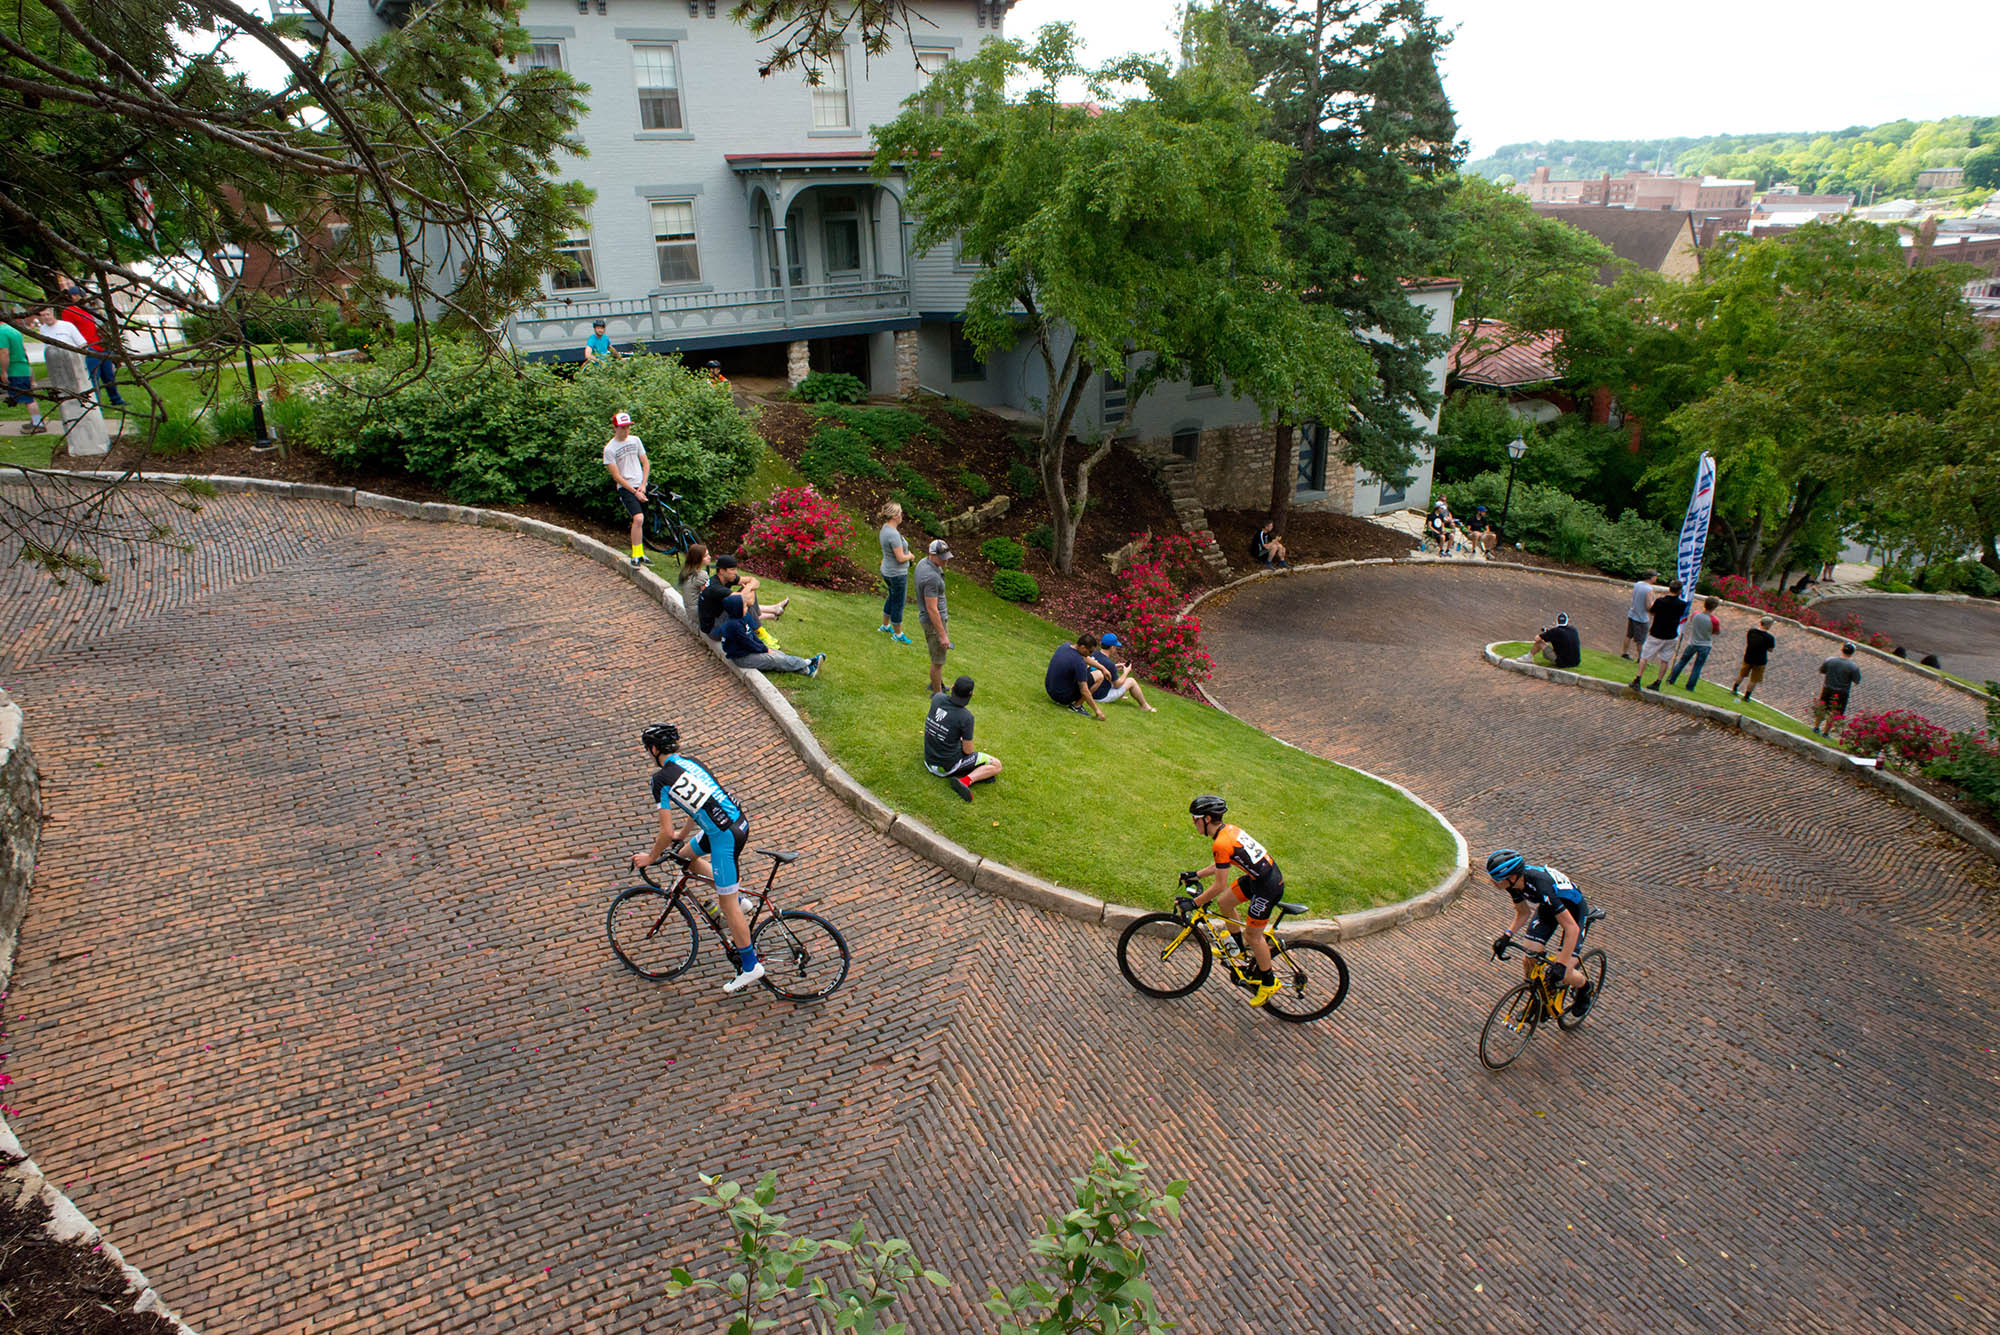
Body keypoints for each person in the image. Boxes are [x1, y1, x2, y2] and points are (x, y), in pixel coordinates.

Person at [631, 722, 766, 994]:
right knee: (684, 857)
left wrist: (650, 857)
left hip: (724, 837)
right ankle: (742, 901)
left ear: (654, 749)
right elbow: (701, 805)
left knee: (726, 906)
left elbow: (664, 832)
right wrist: (683, 835)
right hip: (734, 823)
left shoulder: (660, 781)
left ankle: (751, 967)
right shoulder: (692, 762)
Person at [1179, 794, 1287, 1007]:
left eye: (1195, 818)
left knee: (1253, 935)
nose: (1194, 823)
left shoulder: (1221, 842)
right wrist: (1196, 875)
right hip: (1260, 878)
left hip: (1268, 887)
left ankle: (1268, 982)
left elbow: (1219, 885)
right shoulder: (1228, 831)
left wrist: (1195, 903)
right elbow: (1222, 864)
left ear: (1207, 819)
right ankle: (1236, 948)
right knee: (1225, 903)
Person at [1485, 849, 1595, 1017]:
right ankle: (1538, 999)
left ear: (1513, 876)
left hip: (1573, 912)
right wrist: (1506, 936)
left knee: (1564, 972)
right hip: (1549, 907)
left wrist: (1561, 964)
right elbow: (1523, 912)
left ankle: (1585, 989)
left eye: (1497, 878)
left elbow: (1571, 928)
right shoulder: (1513, 884)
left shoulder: (1542, 886)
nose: (1492, 882)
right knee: (1529, 955)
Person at [924, 674, 1002, 802]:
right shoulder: (966, 717)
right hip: (945, 767)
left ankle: (977, 771)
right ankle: (965, 781)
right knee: (996, 765)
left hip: (928, 759)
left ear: (953, 687)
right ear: (971, 695)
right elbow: (967, 751)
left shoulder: (937, 698)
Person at [716, 593, 822, 677]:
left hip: (749, 651)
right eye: (744, 607)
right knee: (772, 659)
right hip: (742, 658)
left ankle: (807, 670)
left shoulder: (741, 618)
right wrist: (765, 650)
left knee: (778, 653)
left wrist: (764, 647)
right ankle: (807, 662)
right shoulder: (733, 626)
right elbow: (748, 643)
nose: (747, 608)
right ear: (736, 609)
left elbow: (752, 635)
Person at [58, 286, 123, 407]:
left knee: (109, 375)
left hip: (102, 346)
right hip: (89, 347)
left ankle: (116, 399)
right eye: (74, 295)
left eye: (80, 295)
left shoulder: (89, 310)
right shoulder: (68, 311)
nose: (77, 297)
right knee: (94, 377)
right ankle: (95, 403)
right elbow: (68, 331)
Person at [698, 555, 789, 638]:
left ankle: (761, 623)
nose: (736, 572)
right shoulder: (715, 587)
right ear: (722, 571)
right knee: (741, 604)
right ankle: (760, 633)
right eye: (732, 569)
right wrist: (750, 587)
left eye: (736, 569)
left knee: (743, 598)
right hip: (714, 630)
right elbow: (747, 601)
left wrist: (749, 586)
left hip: (720, 614)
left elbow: (754, 580)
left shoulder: (726, 578)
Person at [603, 410, 651, 567]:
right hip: (627, 487)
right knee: (638, 518)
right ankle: (636, 554)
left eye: (628, 427)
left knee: (643, 520)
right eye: (622, 428)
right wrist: (635, 492)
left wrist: (643, 485)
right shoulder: (610, 449)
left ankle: (641, 552)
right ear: (615, 428)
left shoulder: (635, 440)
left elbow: (645, 463)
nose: (626, 431)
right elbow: (616, 476)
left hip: (641, 485)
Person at [1631, 577, 1688, 691]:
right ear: (1680, 591)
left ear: (1669, 589)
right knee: (1665, 660)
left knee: (1644, 657)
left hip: (1657, 633)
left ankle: (1638, 679)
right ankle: (1658, 682)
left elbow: (1652, 612)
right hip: (1671, 635)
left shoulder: (1660, 601)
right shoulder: (1682, 604)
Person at [914, 539, 953, 696]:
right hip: (934, 622)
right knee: (938, 661)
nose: (946, 560)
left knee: (938, 656)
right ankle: (937, 694)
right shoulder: (931, 577)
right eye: (942, 557)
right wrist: (942, 634)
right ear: (931, 554)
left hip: (933, 619)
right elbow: (932, 609)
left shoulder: (924, 563)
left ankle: (938, 684)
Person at [1045, 632, 1108, 720]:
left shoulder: (1065, 646)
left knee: (1095, 671)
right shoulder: (1079, 662)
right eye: (1090, 651)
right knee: (1099, 676)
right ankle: (1077, 706)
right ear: (1082, 647)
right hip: (1062, 697)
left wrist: (1103, 668)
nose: (1090, 654)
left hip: (1050, 689)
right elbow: (1084, 690)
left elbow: (1084, 658)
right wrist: (1097, 711)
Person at [1089, 632, 1157, 712]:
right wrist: (1126, 672)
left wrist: (1115, 666)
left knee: (1112, 678)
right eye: (1116, 646)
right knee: (1131, 681)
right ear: (1112, 647)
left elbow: (1100, 666)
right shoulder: (1109, 663)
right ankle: (1145, 706)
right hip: (1100, 696)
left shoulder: (1094, 654)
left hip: (1090, 690)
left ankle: (1121, 695)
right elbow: (1117, 685)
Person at [877, 502, 915, 644]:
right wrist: (910, 556)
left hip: (887, 571)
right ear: (894, 516)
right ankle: (898, 634)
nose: (902, 515)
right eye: (900, 513)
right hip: (897, 574)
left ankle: (885, 626)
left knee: (892, 597)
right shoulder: (892, 534)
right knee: (899, 602)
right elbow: (900, 558)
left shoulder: (885, 529)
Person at [1666, 596, 1722, 691]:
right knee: (1698, 666)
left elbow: (1692, 620)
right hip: (1705, 644)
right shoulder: (1714, 620)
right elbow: (1716, 632)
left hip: (1693, 642)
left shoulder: (1696, 614)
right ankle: (1690, 686)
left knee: (1682, 661)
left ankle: (1671, 679)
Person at [0, 317, 45, 434]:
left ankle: (38, 424)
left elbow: (4, 352)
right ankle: (37, 421)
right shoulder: (14, 330)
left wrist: (4, 371)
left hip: (14, 371)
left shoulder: (1, 332)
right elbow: (24, 351)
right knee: (28, 397)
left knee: (28, 399)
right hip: (22, 368)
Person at [1814, 641, 1861, 736]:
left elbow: (1822, 670)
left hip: (1827, 688)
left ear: (1841, 649)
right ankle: (1826, 733)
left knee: (1822, 708)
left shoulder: (1830, 660)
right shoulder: (1853, 667)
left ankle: (1816, 727)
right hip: (1842, 692)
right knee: (1835, 712)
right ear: (1852, 653)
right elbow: (1856, 681)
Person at [1728, 616, 1777, 703]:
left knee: (1742, 674)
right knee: (1754, 679)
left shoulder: (1751, 631)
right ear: (1768, 625)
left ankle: (1734, 689)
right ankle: (1747, 696)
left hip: (1748, 657)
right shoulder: (1770, 638)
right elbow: (1771, 649)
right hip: (1760, 661)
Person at [1621, 570, 1658, 660]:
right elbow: (1648, 606)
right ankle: (1641, 658)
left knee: (1628, 635)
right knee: (1641, 640)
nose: (1656, 578)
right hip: (1641, 618)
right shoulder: (1648, 589)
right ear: (1651, 578)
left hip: (1632, 613)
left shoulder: (1638, 584)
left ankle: (1624, 653)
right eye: (1655, 576)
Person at [677, 543, 710, 628]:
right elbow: (709, 594)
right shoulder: (701, 575)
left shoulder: (686, 572)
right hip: (699, 614)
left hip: (690, 612)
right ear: (698, 559)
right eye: (706, 556)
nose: (709, 557)